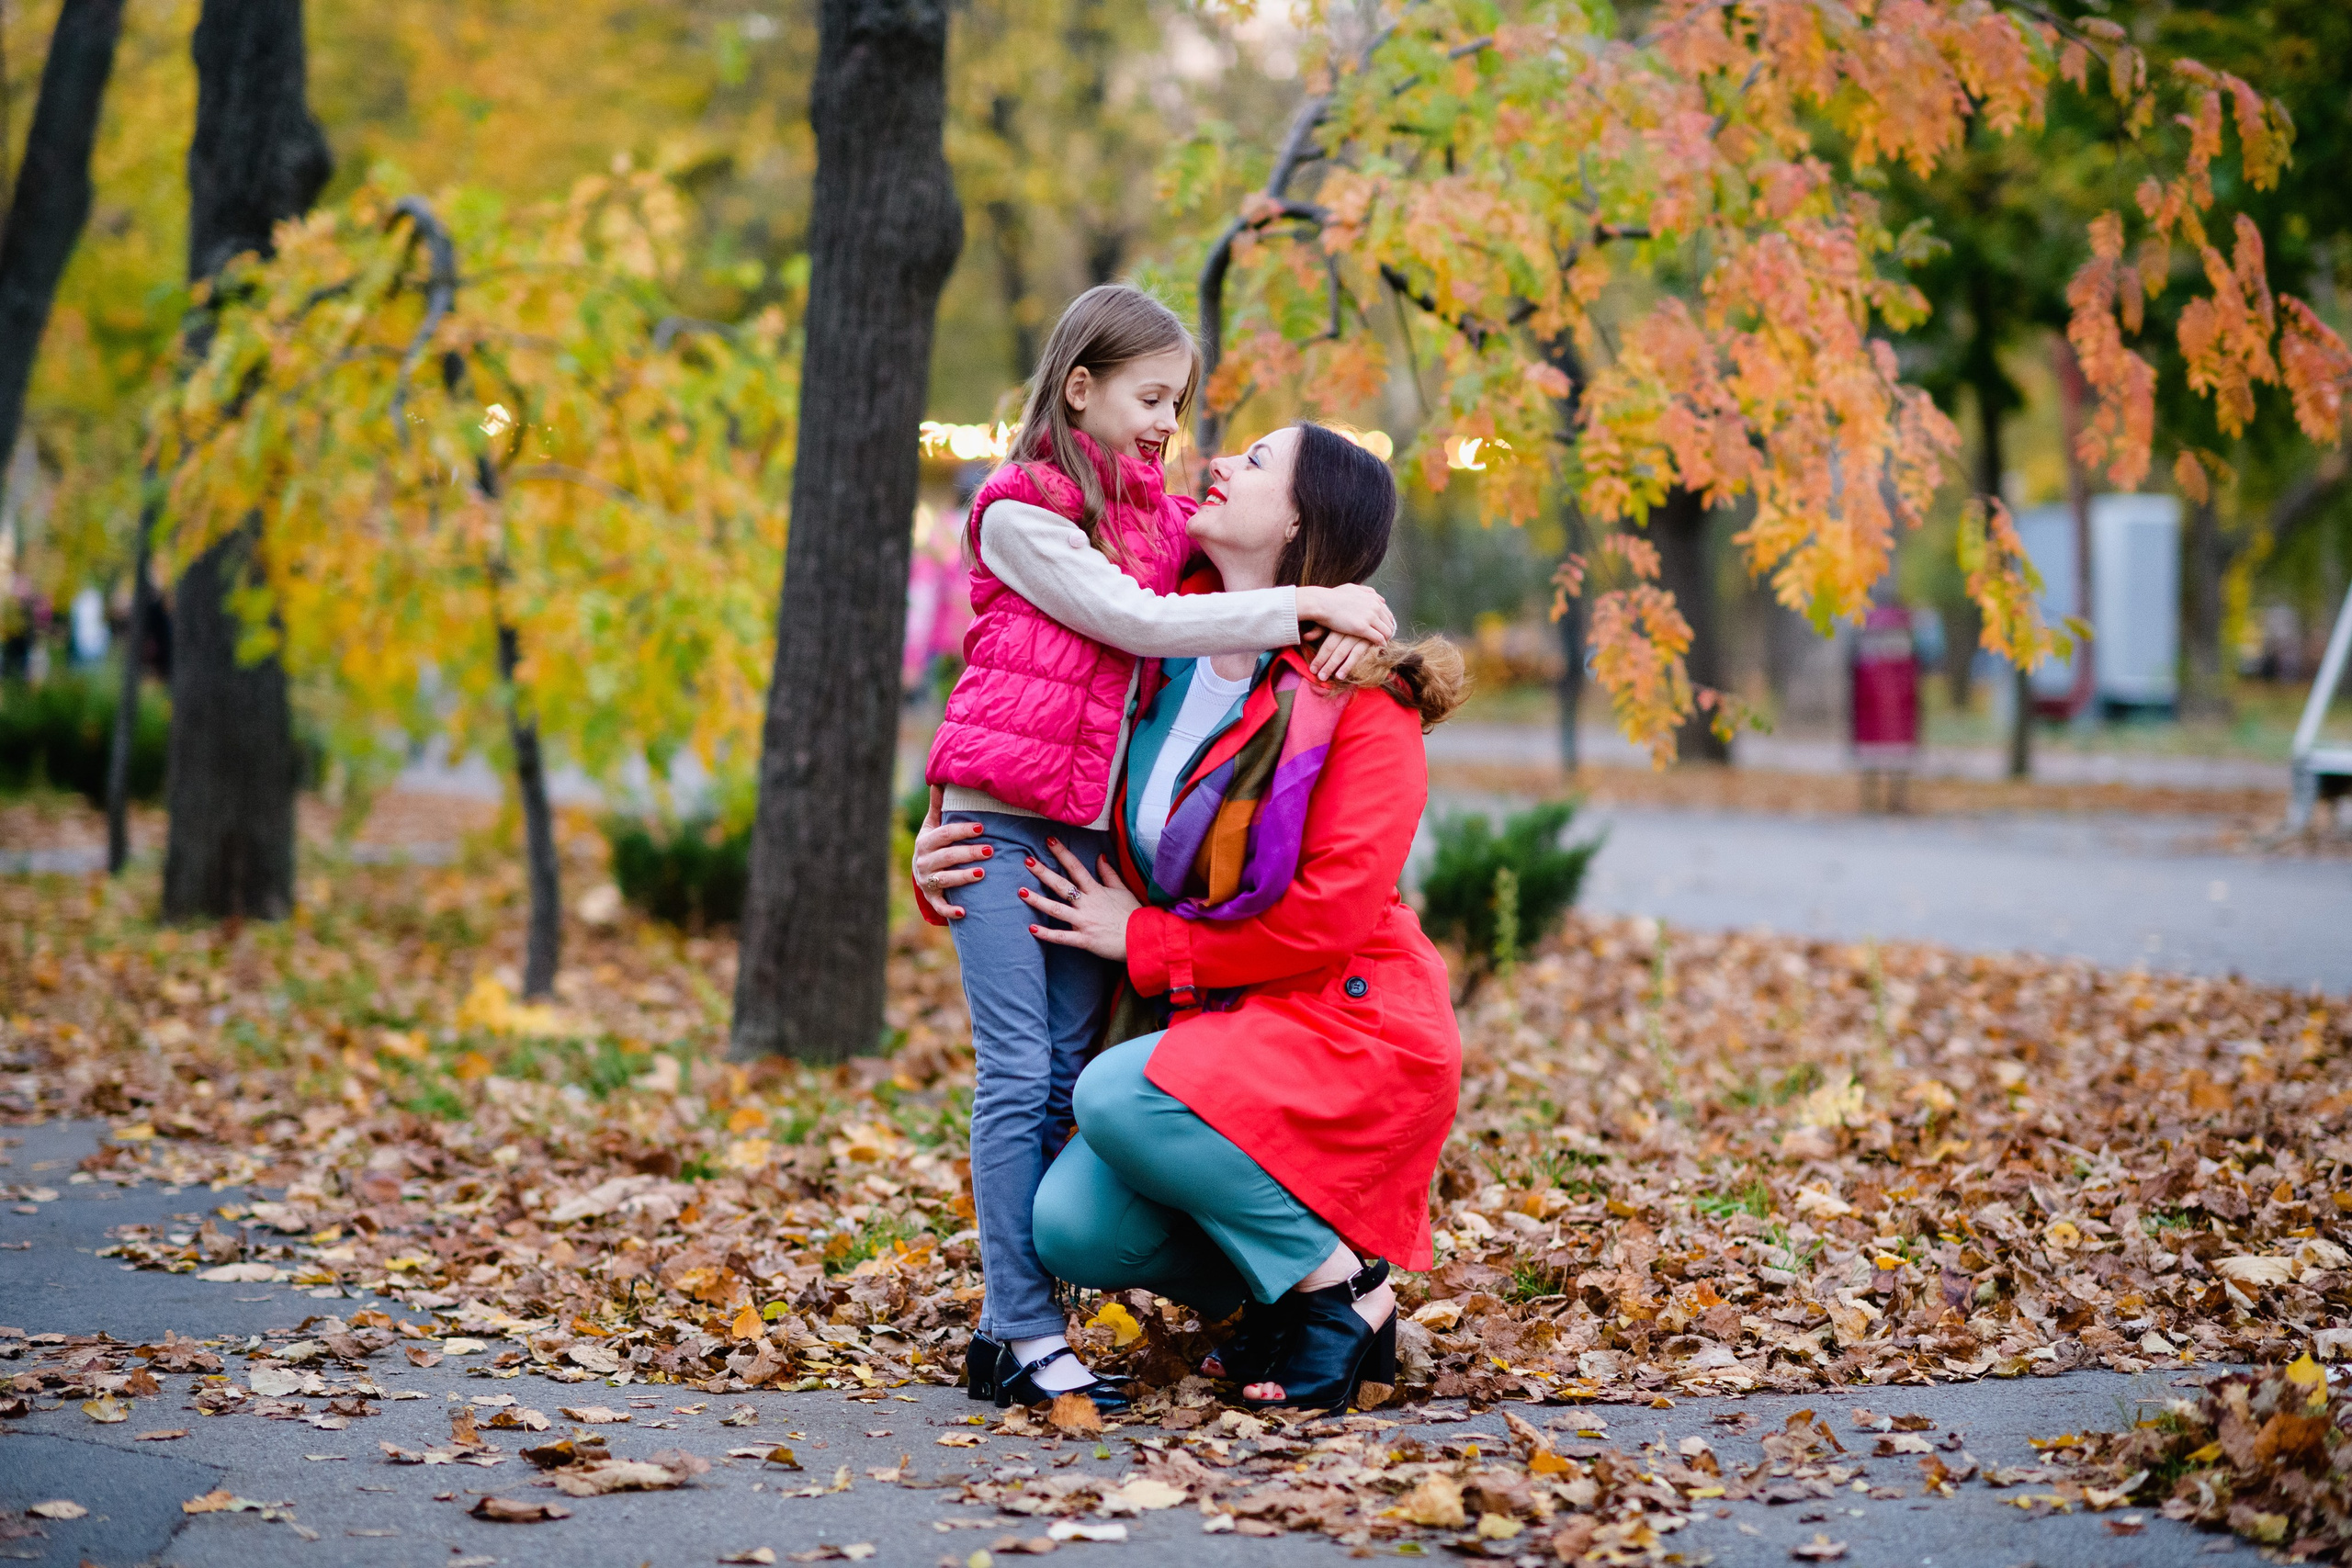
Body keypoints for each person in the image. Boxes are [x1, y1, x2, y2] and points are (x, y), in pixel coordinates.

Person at [912, 286, 1398, 1413]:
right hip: (997, 821)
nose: (1169, 426)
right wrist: (934, 829)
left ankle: (1023, 1331)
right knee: (1018, 1074)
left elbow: (1279, 551)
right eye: (1148, 398)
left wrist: (1345, 596)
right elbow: (1140, 623)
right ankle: (1023, 1335)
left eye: (1176, 403)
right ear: (1078, 387)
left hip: (1080, 843)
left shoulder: (1150, 520)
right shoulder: (1017, 514)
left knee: (1062, 1085)